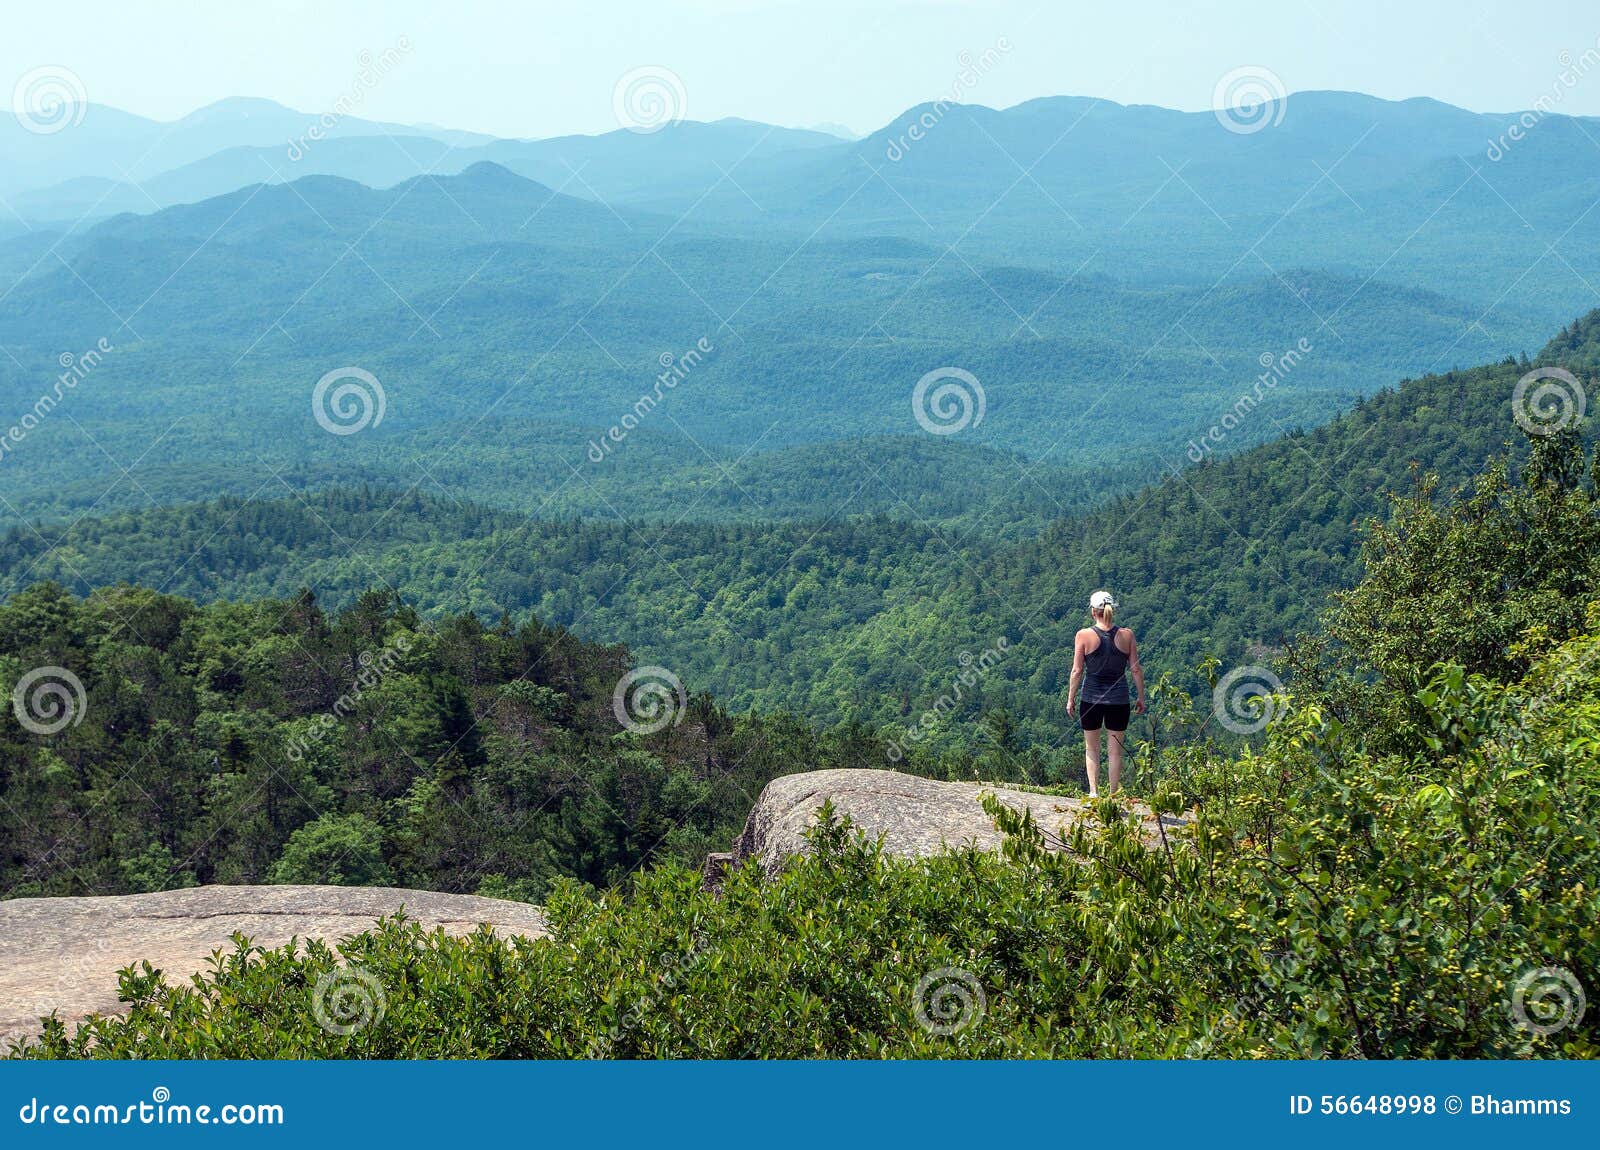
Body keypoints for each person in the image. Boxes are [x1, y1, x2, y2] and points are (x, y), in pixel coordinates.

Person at [1066, 590, 1146, 797]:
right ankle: (1112, 794)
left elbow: (1077, 670)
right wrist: (1141, 697)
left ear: (1093, 611)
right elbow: (1135, 669)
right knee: (1115, 751)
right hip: (1119, 700)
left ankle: (1094, 793)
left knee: (1091, 748)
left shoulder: (1083, 635)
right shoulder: (1127, 635)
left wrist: (1070, 699)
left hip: (1090, 699)